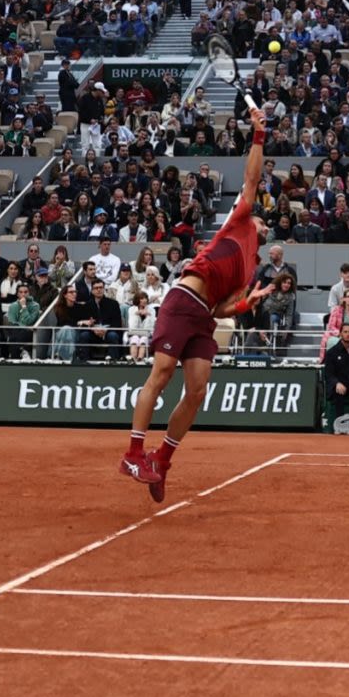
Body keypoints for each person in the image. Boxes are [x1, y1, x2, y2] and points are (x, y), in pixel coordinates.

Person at [122, 106, 276, 502]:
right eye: (261, 217)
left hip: (204, 316)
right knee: (162, 372)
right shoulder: (238, 221)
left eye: (265, 221)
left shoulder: (248, 270)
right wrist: (258, 134)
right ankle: (134, 454)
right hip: (183, 298)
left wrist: (248, 303)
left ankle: (162, 462)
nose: (262, 221)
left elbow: (224, 309)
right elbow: (252, 177)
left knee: (197, 391)